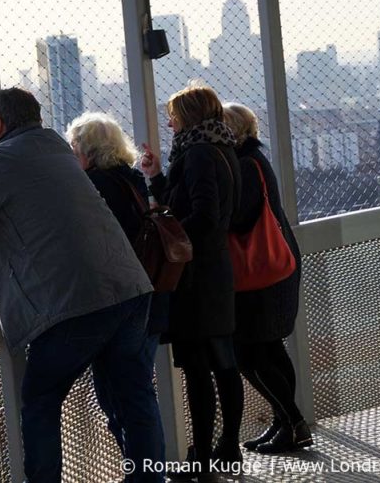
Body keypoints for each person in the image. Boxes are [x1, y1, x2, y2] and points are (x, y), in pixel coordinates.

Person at [0, 88, 165, 482]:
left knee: (40, 402)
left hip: (74, 303)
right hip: (129, 289)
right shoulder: (58, 151)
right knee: (136, 397)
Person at [141, 83, 243, 478]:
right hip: (216, 269)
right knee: (223, 362)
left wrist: (169, 236)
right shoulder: (223, 148)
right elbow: (208, 209)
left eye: (174, 116)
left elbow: (201, 213)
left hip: (195, 276)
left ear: (188, 116)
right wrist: (156, 178)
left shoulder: (198, 153)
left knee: (199, 370)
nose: (169, 123)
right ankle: (227, 448)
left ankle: (201, 459)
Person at [65, 112, 169, 455]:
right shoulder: (131, 179)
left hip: (117, 304)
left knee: (118, 398)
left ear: (87, 151)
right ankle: (148, 472)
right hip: (150, 296)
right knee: (137, 394)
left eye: (73, 146)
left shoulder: (94, 187)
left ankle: (142, 471)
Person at [223, 102, 312, 454]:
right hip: (276, 267)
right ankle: (284, 423)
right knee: (270, 348)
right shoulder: (255, 160)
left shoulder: (243, 166)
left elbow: (239, 219)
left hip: (259, 273)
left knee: (249, 353)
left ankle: (292, 421)